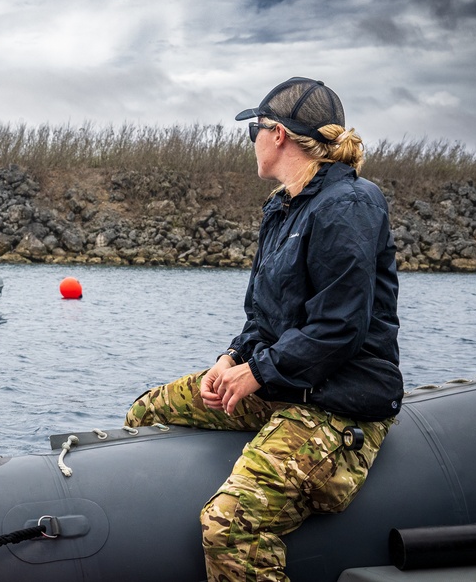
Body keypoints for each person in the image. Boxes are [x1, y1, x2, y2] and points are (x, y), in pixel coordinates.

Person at [124, 77, 403, 582]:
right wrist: (232, 358)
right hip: (282, 382)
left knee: (228, 527)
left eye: (253, 129)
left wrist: (257, 372)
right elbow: (264, 317)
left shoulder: (350, 204)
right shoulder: (283, 207)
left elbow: (340, 327)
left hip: (338, 404)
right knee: (147, 409)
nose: (250, 140)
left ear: (277, 134)